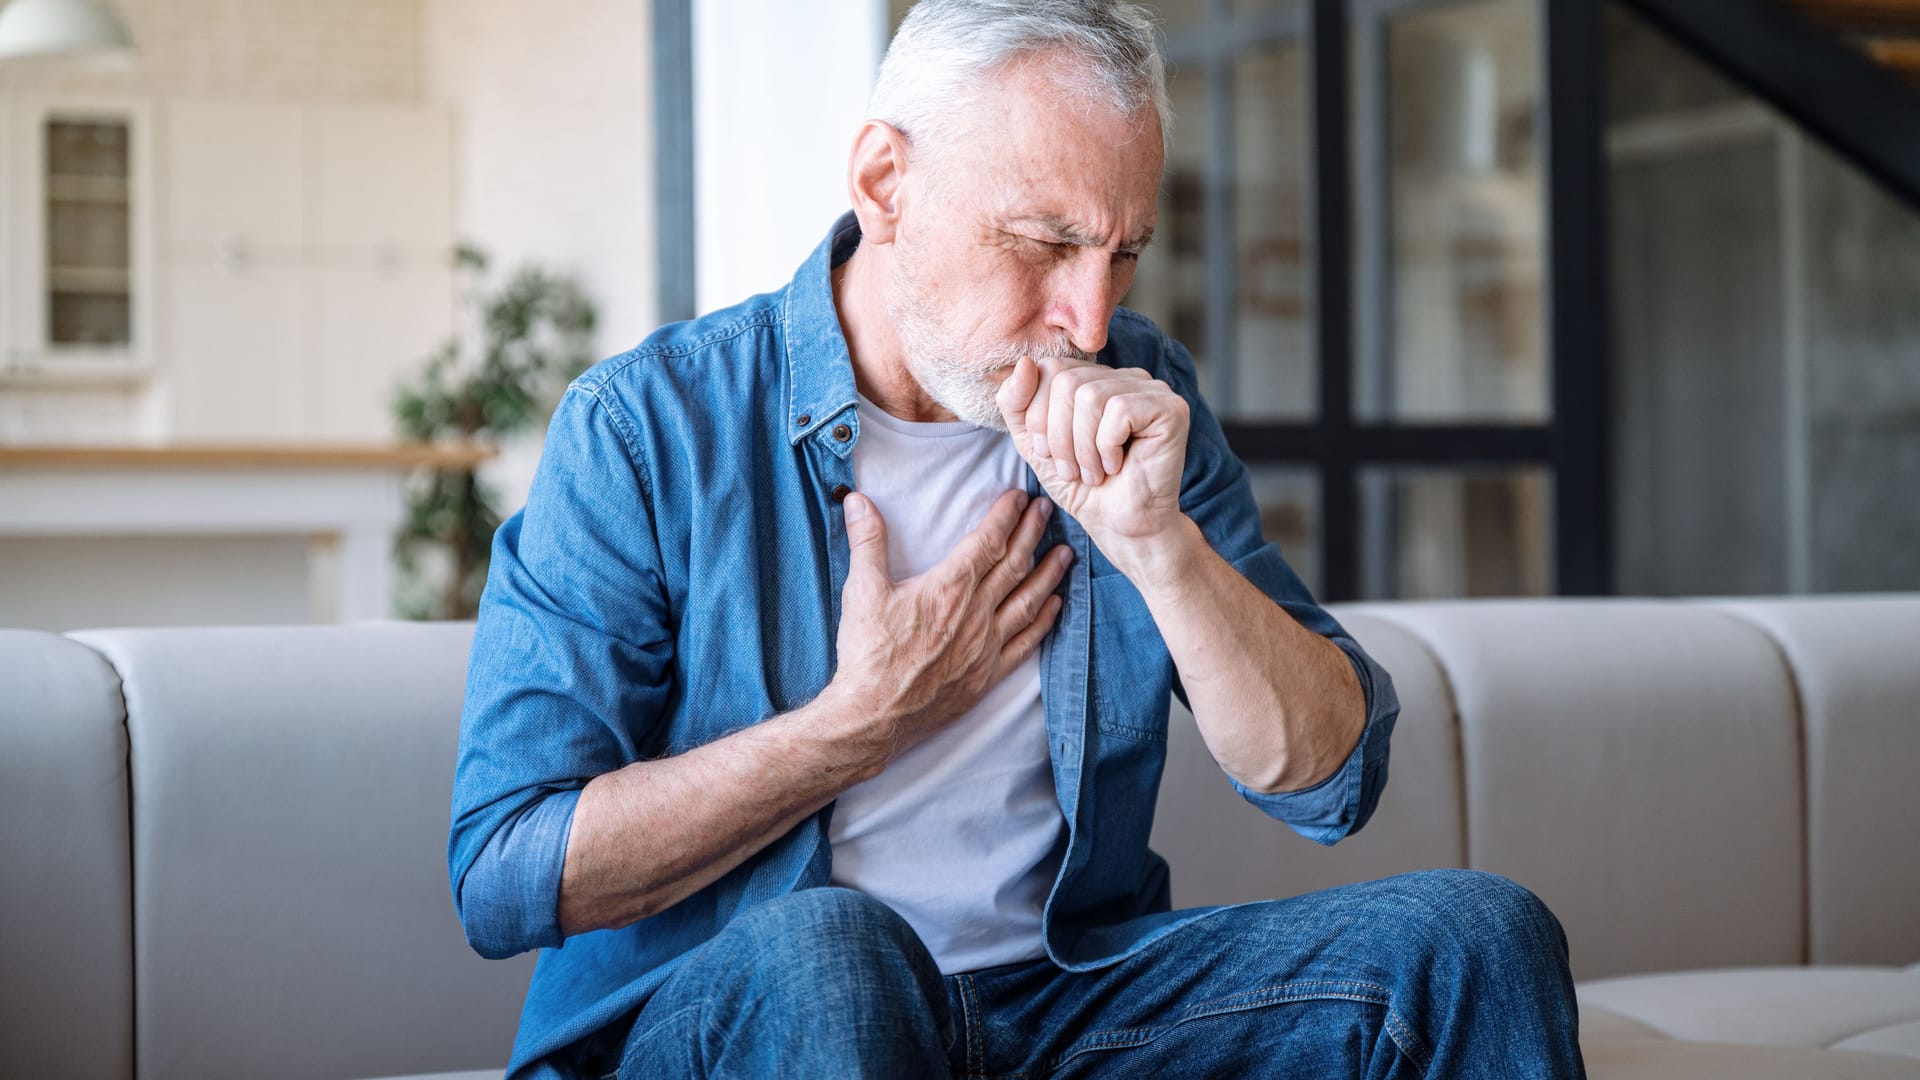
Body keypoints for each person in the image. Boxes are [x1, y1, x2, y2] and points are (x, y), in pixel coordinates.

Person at [448, 1, 1585, 1076]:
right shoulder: (650, 426)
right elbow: (505, 872)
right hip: (742, 1015)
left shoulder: (1141, 391)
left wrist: (1160, 547)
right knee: (833, 951)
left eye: (1123, 251)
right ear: (886, 182)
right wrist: (855, 727)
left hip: (1057, 1005)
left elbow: (1329, 780)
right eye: (1044, 243)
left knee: (1475, 939)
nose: (1088, 318)